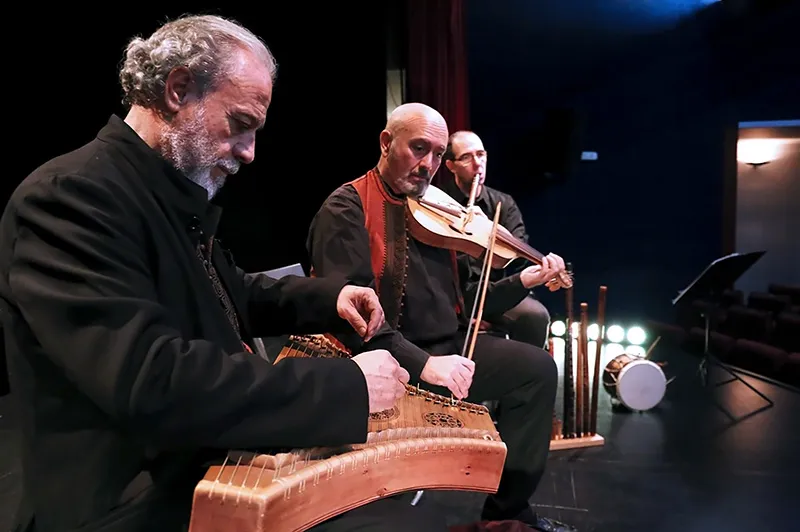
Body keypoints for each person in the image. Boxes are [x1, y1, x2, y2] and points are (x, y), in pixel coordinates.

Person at [0, 16, 447, 532]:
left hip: (193, 460)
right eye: (240, 124)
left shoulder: (161, 191)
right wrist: (347, 386)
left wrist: (330, 298)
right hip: (133, 499)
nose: (250, 152)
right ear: (178, 89)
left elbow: (231, 290)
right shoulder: (69, 197)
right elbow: (152, 380)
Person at [306, 103, 577, 532]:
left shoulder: (433, 210)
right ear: (385, 142)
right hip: (387, 360)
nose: (428, 165)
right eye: (418, 149)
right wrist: (426, 364)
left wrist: (523, 280)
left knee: (538, 369)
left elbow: (468, 302)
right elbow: (354, 318)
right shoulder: (347, 207)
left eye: (436, 154)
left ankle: (506, 513)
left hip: (447, 347)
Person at [440, 130, 553, 349]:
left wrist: (492, 229)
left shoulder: (504, 203)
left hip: (496, 293)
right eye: (466, 157)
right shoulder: (440, 200)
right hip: (453, 296)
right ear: (451, 166)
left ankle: (526, 376)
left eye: (481, 155)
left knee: (535, 315)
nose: (477, 163)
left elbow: (519, 256)